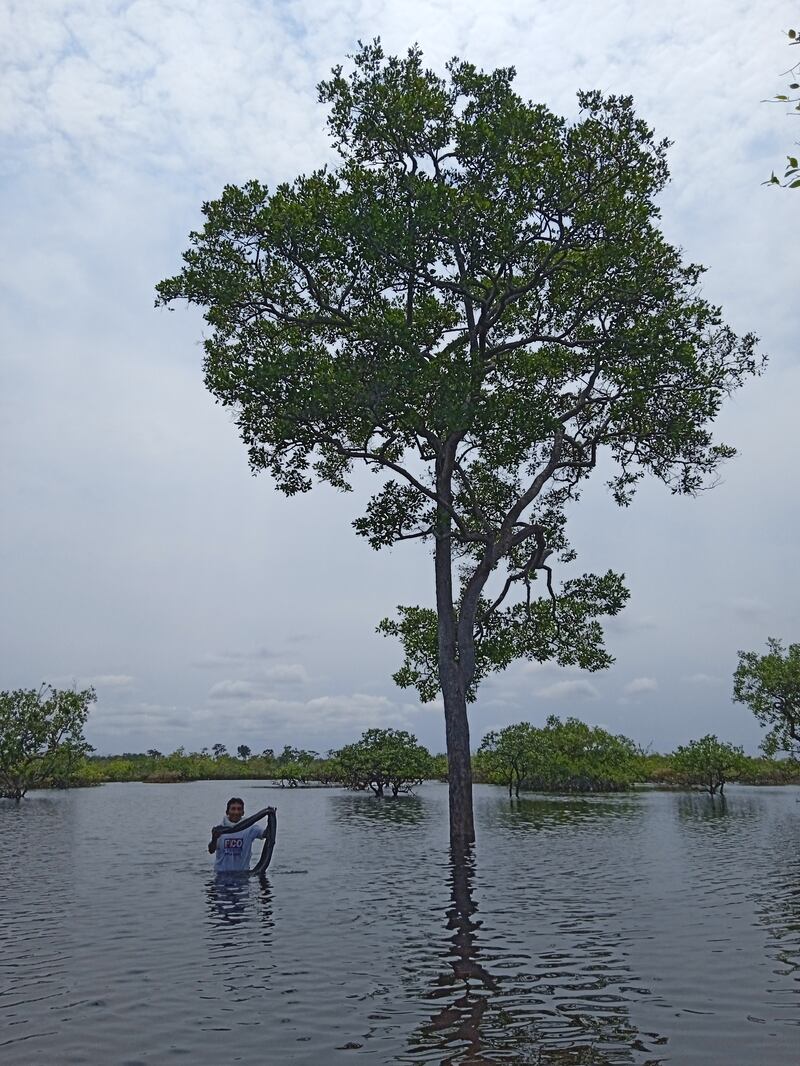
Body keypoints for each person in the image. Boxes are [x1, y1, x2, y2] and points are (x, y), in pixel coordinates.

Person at [208, 797, 274, 874]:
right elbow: (211, 850)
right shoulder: (220, 829)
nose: (236, 812)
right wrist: (214, 838)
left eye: (239, 809)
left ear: (243, 812)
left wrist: (271, 817)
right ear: (227, 812)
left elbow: (266, 834)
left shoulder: (250, 828)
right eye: (233, 809)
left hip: (242, 874)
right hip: (221, 875)